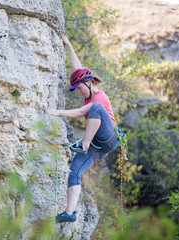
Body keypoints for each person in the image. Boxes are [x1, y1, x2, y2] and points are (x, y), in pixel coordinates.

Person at [45, 35, 120, 223]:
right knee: (75, 171)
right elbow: (78, 68)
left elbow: (79, 112)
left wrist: (56, 113)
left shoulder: (98, 98)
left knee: (95, 109)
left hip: (109, 138)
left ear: (89, 82)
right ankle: (69, 213)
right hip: (98, 145)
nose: (78, 92)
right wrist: (69, 45)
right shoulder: (88, 93)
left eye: (79, 88)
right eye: (77, 89)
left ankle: (84, 145)